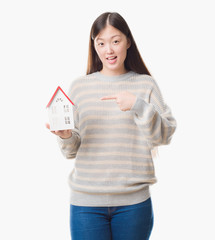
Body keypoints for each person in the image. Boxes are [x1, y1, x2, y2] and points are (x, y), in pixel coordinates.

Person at [46, 12, 176, 240]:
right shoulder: (79, 87)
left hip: (133, 204)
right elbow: (71, 151)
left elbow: (164, 136)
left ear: (128, 41)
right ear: (94, 46)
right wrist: (66, 136)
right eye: (101, 43)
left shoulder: (145, 84)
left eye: (116, 41)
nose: (109, 50)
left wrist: (138, 105)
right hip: (86, 204)